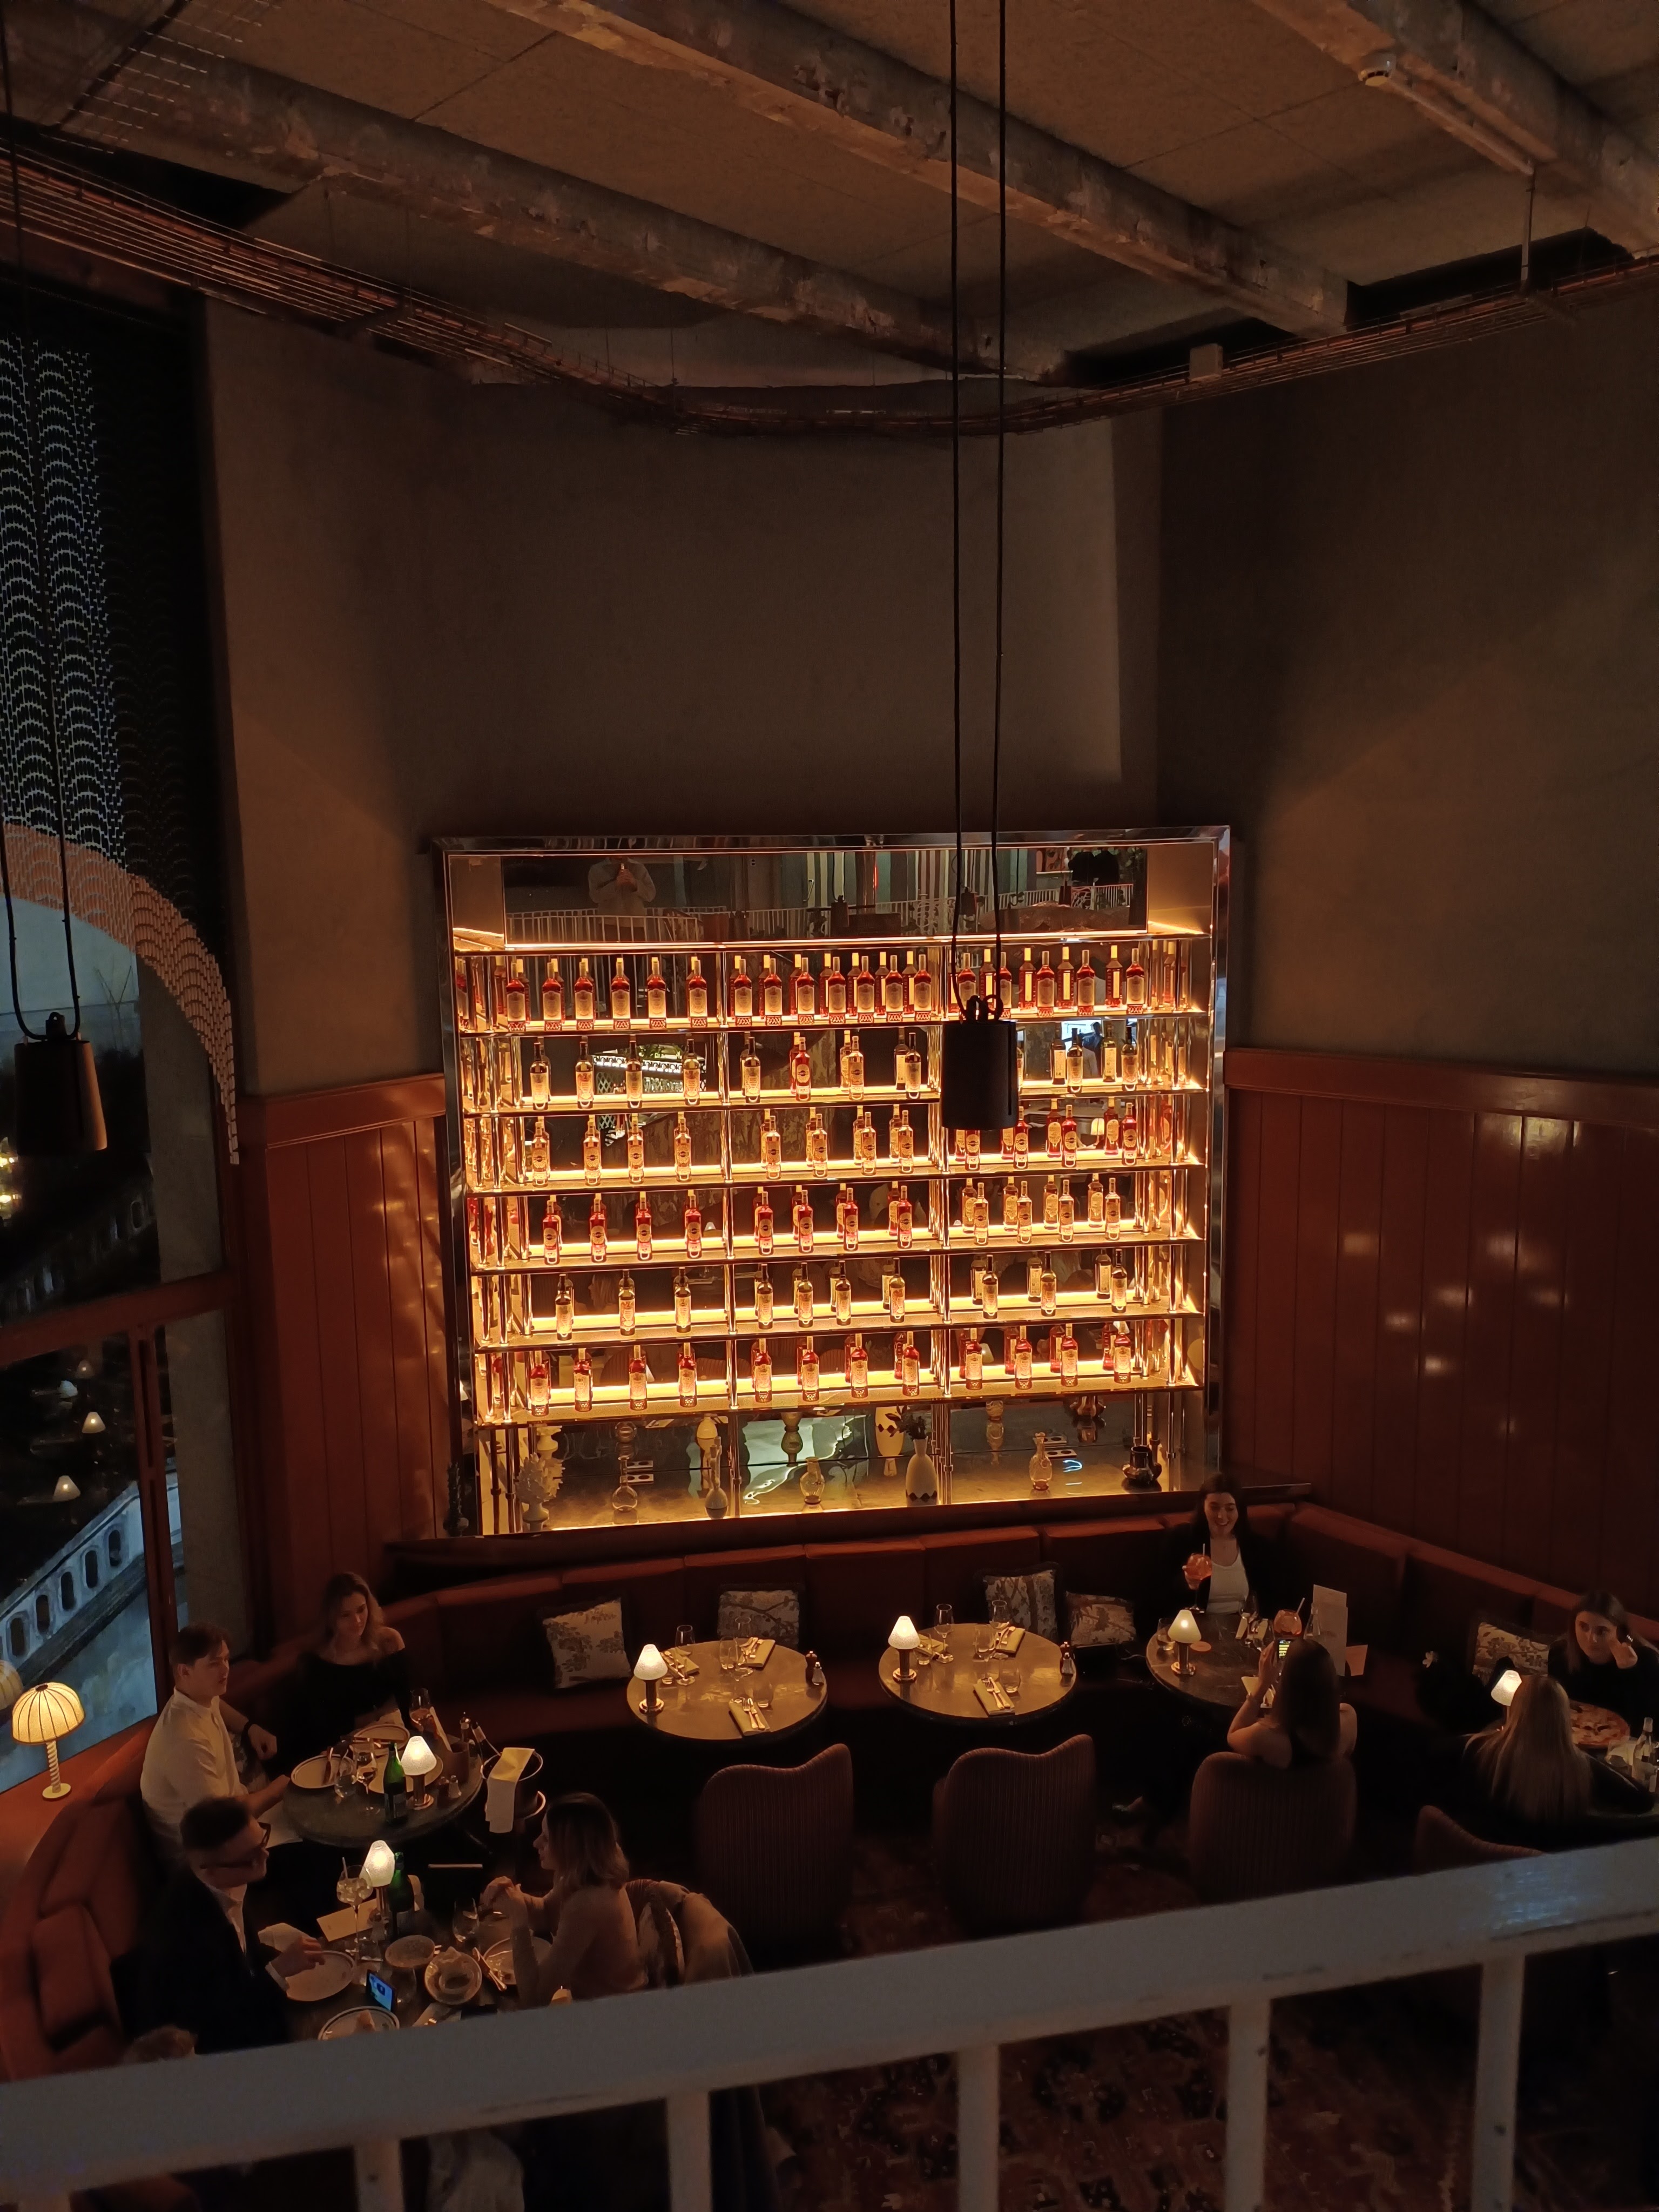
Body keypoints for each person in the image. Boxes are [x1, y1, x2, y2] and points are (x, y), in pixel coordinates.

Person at [133, 1797, 321, 2054]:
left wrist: (289, 1958)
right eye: (251, 1857)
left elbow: (243, 1956)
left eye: (262, 1841)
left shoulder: (223, 1882)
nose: (265, 1855)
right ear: (209, 1870)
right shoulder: (188, 1934)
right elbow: (218, 2022)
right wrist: (278, 1970)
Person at [140, 1623, 289, 1863]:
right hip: (209, 1858)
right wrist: (277, 1791)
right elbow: (224, 1820)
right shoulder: (185, 1740)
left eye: (226, 1660)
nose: (225, 1669)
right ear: (184, 1671)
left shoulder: (198, 1697)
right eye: (214, 1664)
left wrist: (250, 1728)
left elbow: (218, 1704)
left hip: (233, 1823)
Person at [482, 1795, 647, 2008]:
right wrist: (514, 1897)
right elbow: (546, 1913)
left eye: (547, 1838)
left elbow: (534, 1999)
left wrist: (519, 1922)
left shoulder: (588, 1903)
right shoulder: (586, 1866)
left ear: (571, 1848)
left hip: (613, 2011)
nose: (536, 1843)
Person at [1458, 1673, 1651, 1850]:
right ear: (1564, 1718)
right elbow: (1642, 1800)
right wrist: (1592, 1759)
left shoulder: (1478, 1748)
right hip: (1551, 1865)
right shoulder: (1582, 1765)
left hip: (1487, 1857)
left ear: (1514, 1711)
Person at [285, 1572, 411, 1763]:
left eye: (361, 1610)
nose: (357, 1621)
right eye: (346, 1615)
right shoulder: (317, 1664)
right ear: (331, 1618)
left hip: (397, 1740)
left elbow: (409, 1700)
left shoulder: (389, 1642)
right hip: (348, 1754)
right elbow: (324, 1730)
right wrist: (378, 1714)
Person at [1142, 1475, 1296, 1634]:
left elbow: (1273, 1598)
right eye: (1214, 1508)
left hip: (1243, 1633)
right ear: (1203, 1507)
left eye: (1230, 1509)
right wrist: (1185, 1583)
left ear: (1239, 1510)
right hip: (1194, 1632)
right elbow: (1156, 1595)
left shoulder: (1257, 1546)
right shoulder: (1182, 1539)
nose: (1222, 1516)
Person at [1228, 1635, 1357, 1768]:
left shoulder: (1269, 1738)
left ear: (1287, 1686)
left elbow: (1233, 1735)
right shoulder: (1349, 1718)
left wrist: (1263, 1684)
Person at [1546, 1591, 1659, 1736]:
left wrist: (1630, 1672)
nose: (1591, 1639)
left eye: (1602, 1631)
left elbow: (1650, 1727)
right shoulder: (1560, 1655)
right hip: (1573, 1740)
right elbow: (1555, 1711)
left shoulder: (1646, 1661)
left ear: (1619, 1632)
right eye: (1583, 1627)